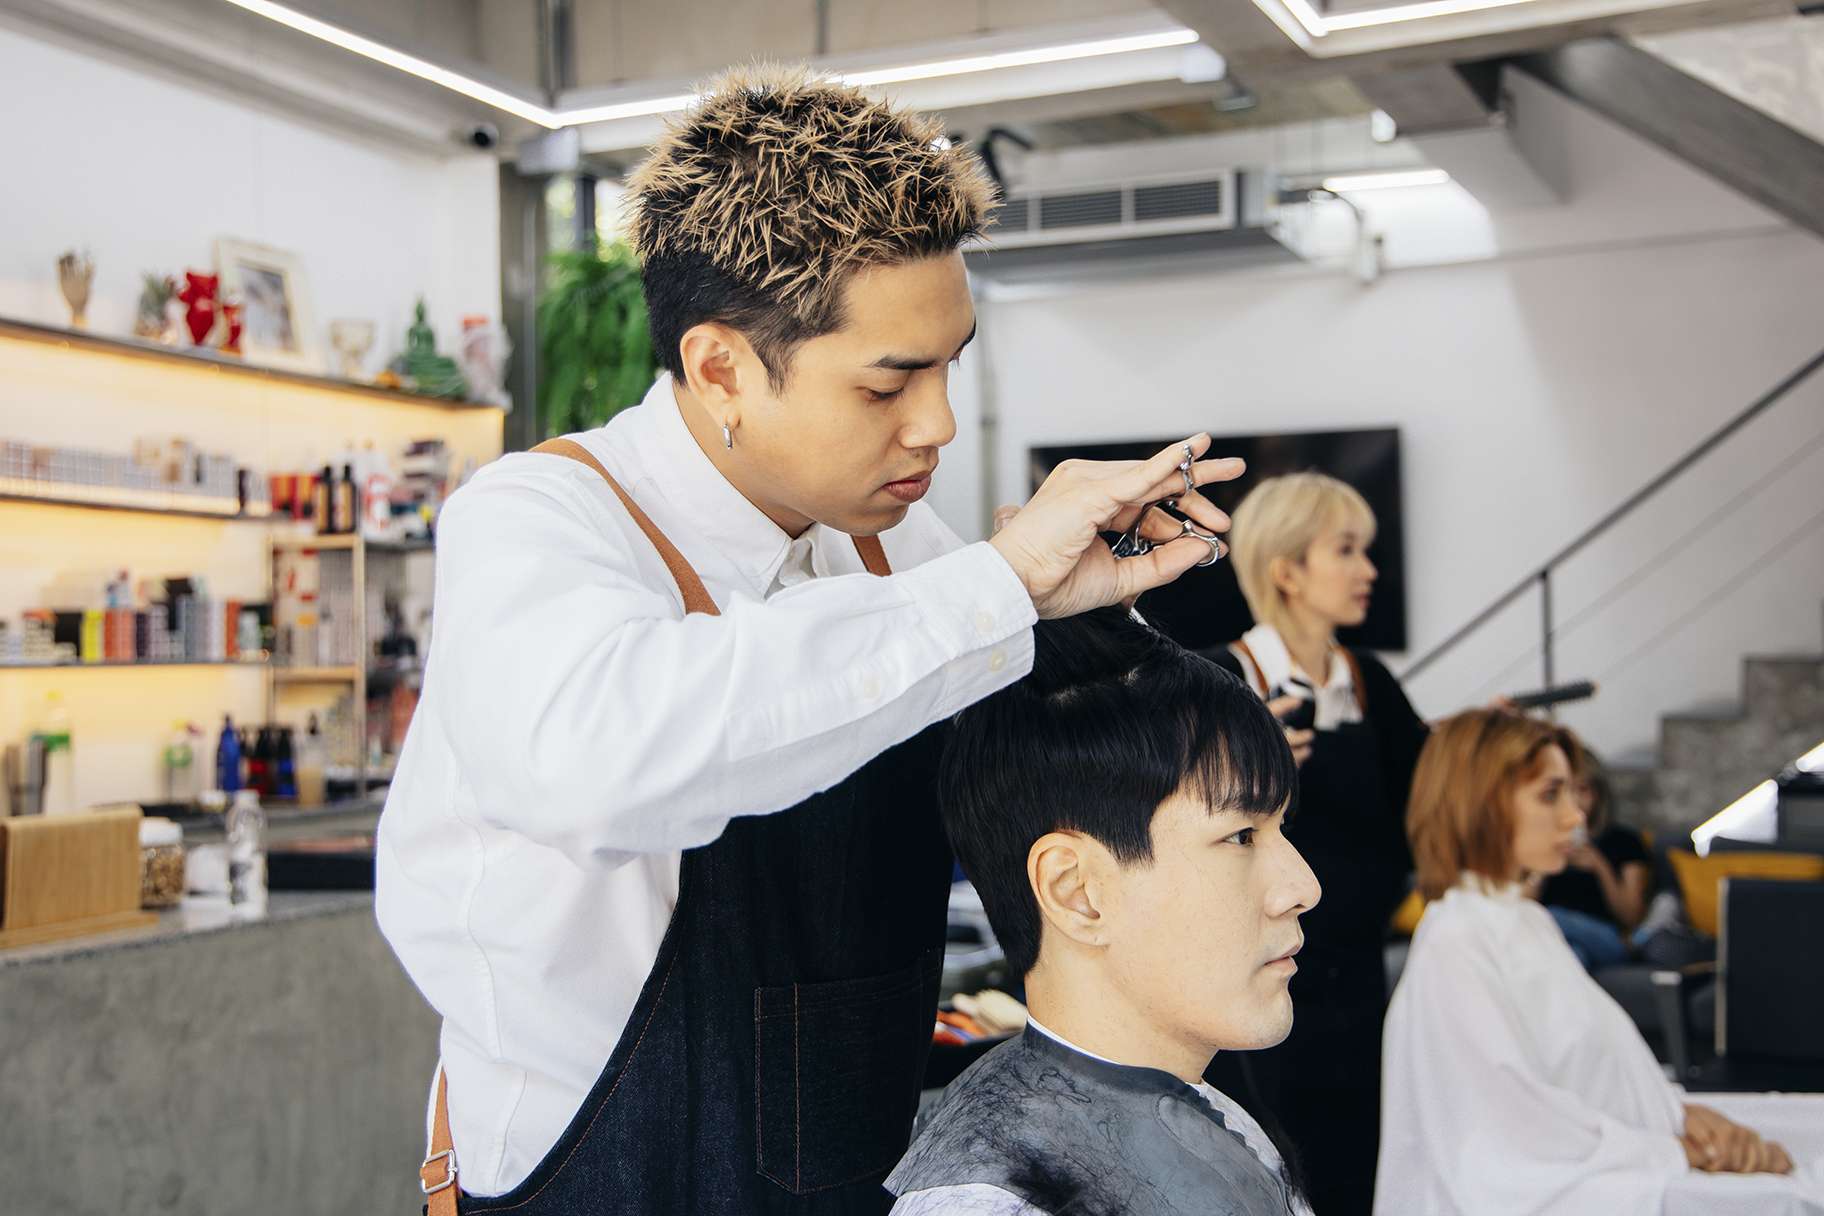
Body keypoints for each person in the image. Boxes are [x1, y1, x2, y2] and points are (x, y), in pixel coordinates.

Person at [376, 68, 1243, 1216]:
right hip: (601, 1183)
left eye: (949, 367)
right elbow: (594, 759)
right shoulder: (542, 519)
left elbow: (1011, 734)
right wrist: (995, 588)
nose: (935, 423)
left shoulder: (889, 547)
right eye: (889, 383)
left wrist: (1084, 617)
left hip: (849, 1171)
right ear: (721, 366)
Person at [885, 608, 1320, 1215]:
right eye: (1241, 836)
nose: (1303, 887)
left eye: (1281, 828)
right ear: (1076, 891)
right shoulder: (988, 1200)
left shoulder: (1225, 1123)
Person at [1379, 708, 1824, 1216]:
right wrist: (1677, 1150)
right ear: (1479, 803)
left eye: (1573, 793)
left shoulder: (1521, 918)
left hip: (1625, 1141)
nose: (1576, 817)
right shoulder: (1457, 940)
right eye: (1551, 795)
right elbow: (1503, 1132)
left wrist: (1681, 1115)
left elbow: (1594, 1072)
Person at [1198, 471, 1427, 1215]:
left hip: (1361, 979)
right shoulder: (1218, 679)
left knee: (1358, 1165)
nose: (1369, 571)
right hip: (1262, 986)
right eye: (1348, 550)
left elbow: (1426, 794)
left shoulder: (1370, 683)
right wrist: (1253, 771)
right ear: (1287, 570)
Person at [1537, 742, 1651, 970]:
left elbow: (1631, 917)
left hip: (1606, 936)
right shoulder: (1540, 840)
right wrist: (1546, 862)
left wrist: (1599, 866)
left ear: (1598, 793)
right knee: (1573, 956)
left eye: (1583, 790)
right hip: (1557, 942)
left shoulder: (1624, 841)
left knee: (1546, 917)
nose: (1575, 802)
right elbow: (1521, 899)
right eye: (1565, 791)